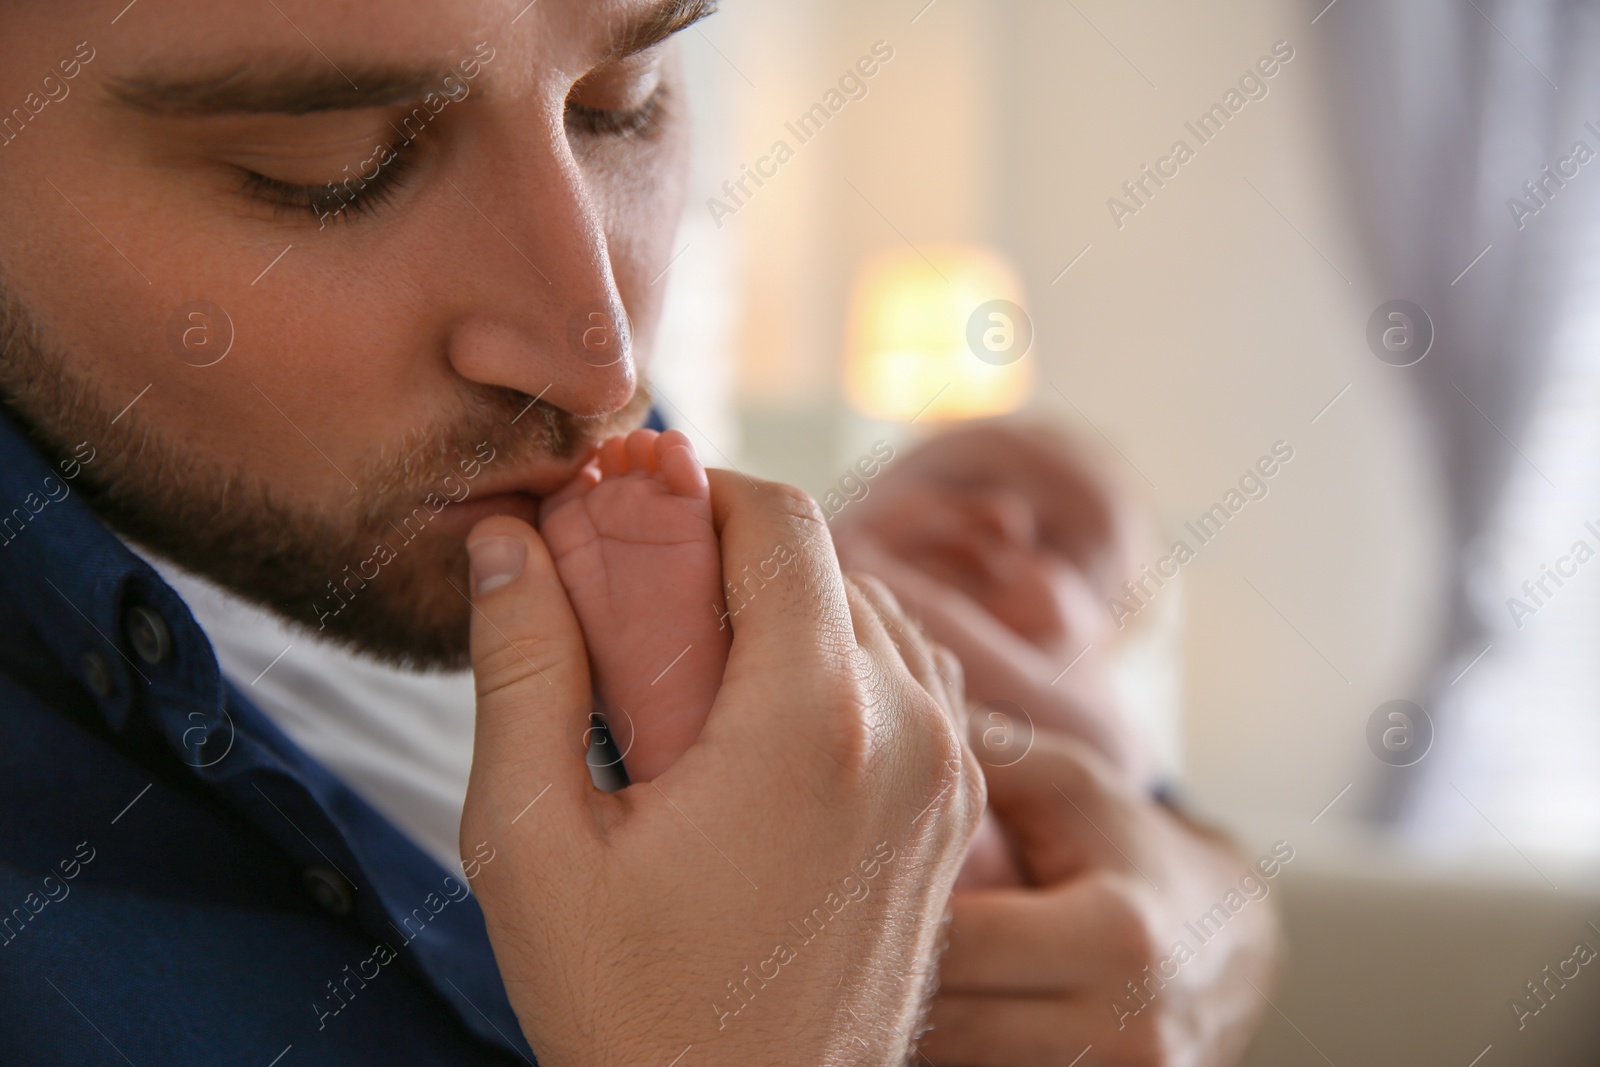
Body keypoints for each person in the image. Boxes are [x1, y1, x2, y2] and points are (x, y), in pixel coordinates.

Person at [0, 0, 1280, 1063]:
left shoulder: (607, 469)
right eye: (333, 169)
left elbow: (1119, 827)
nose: (596, 353)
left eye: (623, 99)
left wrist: (1213, 918)